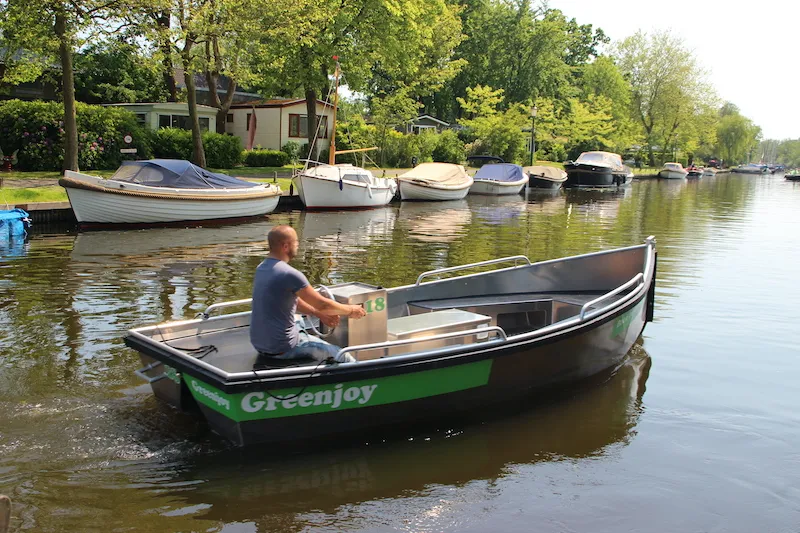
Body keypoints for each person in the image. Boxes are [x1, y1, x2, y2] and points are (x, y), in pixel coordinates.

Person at [250, 225, 366, 365]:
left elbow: (294, 301)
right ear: (286, 246)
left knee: (297, 317)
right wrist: (352, 310)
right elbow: (324, 304)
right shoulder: (290, 274)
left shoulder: (262, 268)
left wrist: (318, 314)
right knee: (342, 355)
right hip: (283, 348)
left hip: (260, 344)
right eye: (296, 242)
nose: (298, 245)